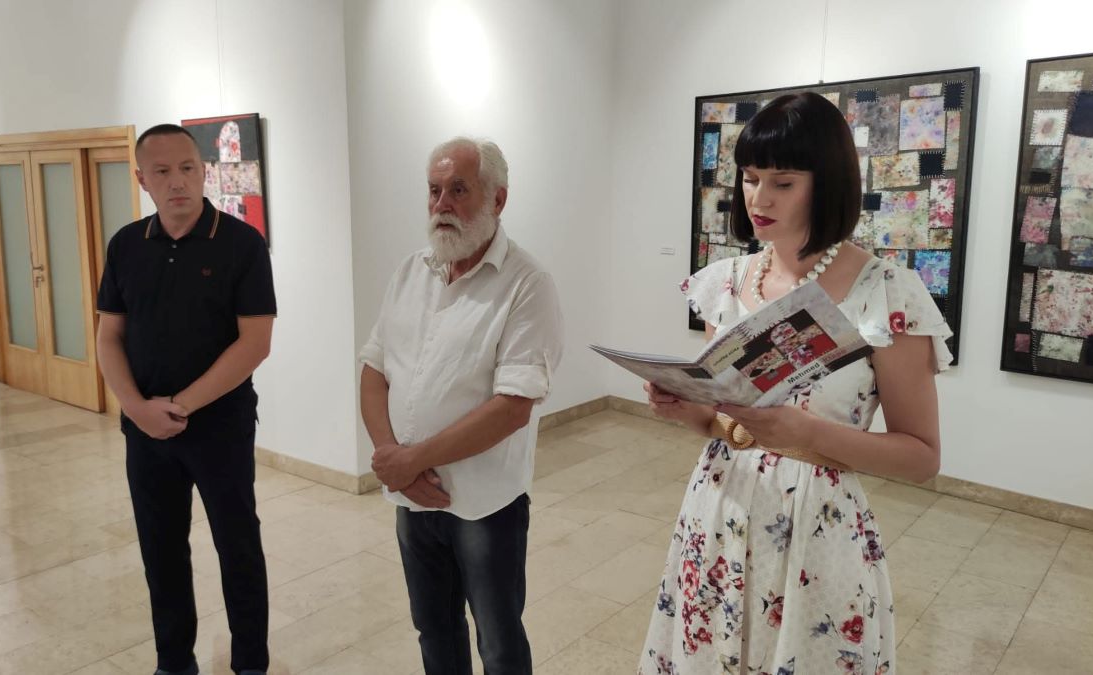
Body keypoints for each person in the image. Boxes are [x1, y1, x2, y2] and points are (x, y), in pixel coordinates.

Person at [638, 93, 952, 675]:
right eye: (750, 178)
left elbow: (921, 457)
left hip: (816, 526)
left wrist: (806, 433)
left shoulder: (886, 293)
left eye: (783, 183)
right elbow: (726, 422)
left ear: (826, 184)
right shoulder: (727, 283)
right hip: (719, 508)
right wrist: (687, 409)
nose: (759, 199)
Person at [359, 136, 564, 675]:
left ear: (498, 199)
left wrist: (411, 459)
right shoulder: (410, 272)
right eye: (434, 191)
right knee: (434, 630)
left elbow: (513, 406)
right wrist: (391, 457)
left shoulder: (527, 283)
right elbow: (374, 369)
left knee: (498, 643)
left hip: (483, 504)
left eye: (458, 190)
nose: (442, 204)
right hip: (412, 498)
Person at [96, 124, 275, 675]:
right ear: (142, 179)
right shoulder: (126, 244)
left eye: (188, 169)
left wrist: (179, 407)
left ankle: (250, 664)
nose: (178, 182)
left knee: (237, 547)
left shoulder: (242, 244)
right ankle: (174, 663)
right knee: (161, 550)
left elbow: (255, 343)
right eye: (163, 171)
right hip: (145, 432)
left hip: (220, 427)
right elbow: (108, 336)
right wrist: (136, 408)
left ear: (203, 171)